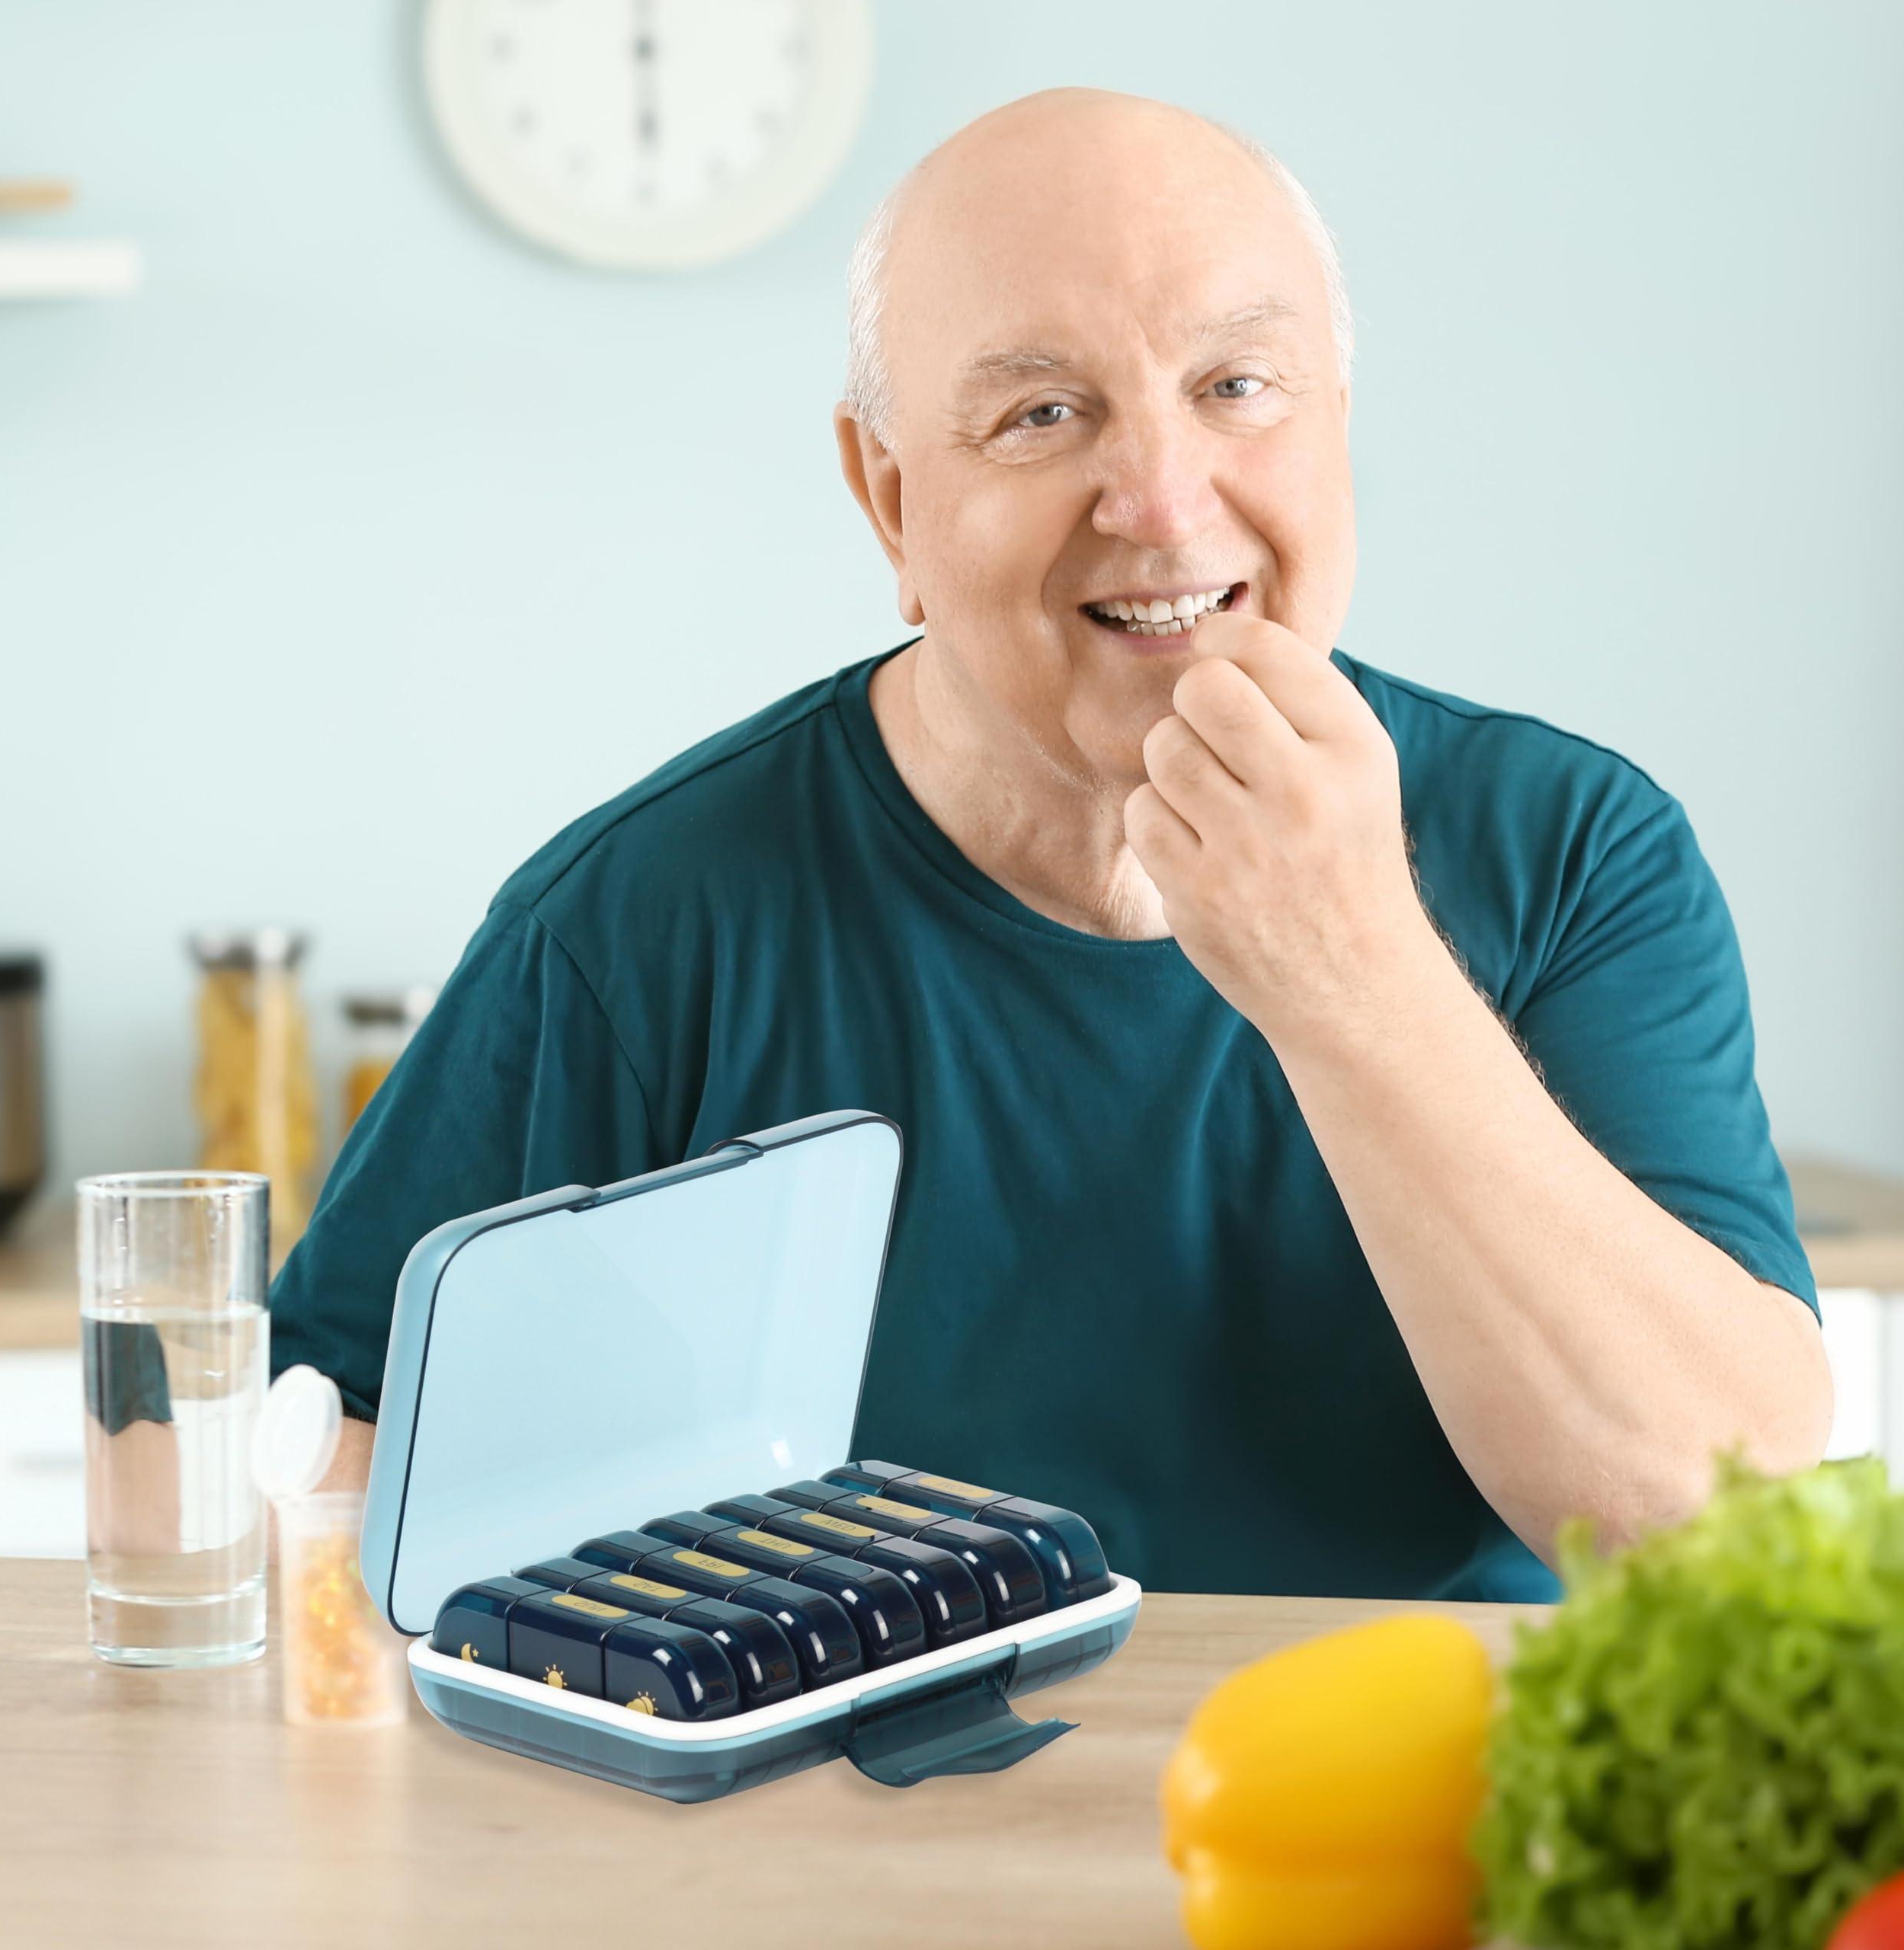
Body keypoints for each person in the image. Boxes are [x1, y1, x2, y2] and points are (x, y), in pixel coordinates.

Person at [270, 88, 1829, 1601]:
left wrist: (1346, 965)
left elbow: (1702, 1525)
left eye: (1236, 387)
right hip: (829, 1847)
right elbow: (299, 1459)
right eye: (1041, 412)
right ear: (890, 499)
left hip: (1428, 1821)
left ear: (1335, 428)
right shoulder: (637, 923)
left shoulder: (1570, 851)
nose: (1158, 500)